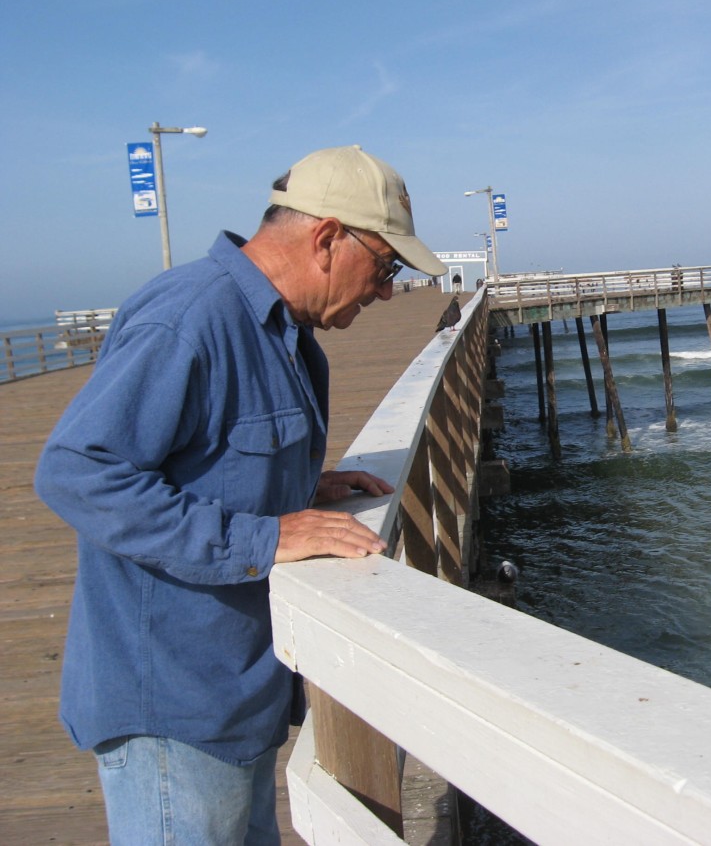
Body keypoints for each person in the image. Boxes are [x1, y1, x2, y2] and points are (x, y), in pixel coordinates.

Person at [34, 145, 448, 845]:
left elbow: (201, 456)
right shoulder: (192, 317)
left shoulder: (292, 341)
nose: (384, 292)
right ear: (325, 239)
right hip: (173, 712)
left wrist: (294, 487)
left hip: (237, 697)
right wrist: (267, 536)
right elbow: (79, 471)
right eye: (385, 268)